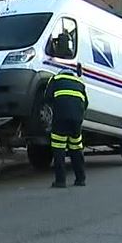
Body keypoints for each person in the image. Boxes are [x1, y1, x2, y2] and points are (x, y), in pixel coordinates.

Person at [44, 60, 88, 189]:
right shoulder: (80, 83)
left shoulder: (55, 79)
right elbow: (86, 103)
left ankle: (60, 181)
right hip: (76, 120)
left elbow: (47, 97)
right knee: (76, 148)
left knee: (59, 149)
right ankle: (80, 179)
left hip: (60, 119)